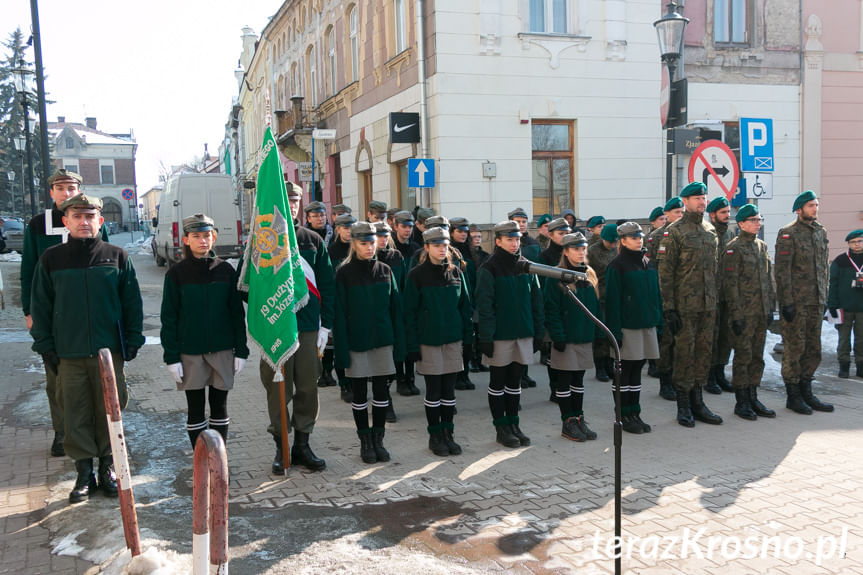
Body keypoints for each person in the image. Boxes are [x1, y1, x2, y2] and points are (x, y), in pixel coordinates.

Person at [30, 194, 143, 504]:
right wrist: (45, 345)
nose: (83, 221)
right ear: (65, 221)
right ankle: (83, 473)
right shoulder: (51, 259)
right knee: (74, 411)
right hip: (68, 352)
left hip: (109, 353)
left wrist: (133, 339)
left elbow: (131, 301)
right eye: (76, 216)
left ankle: (108, 466)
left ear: (100, 221)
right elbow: (39, 305)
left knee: (110, 409)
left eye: (89, 216)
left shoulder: (117, 256)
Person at [20, 169, 110, 457]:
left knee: (97, 375)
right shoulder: (37, 225)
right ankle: (62, 431)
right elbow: (28, 271)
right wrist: (29, 310)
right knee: (57, 375)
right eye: (60, 188)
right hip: (51, 309)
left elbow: (106, 257)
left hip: (89, 309)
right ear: (52, 193)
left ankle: (100, 433)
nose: (66, 193)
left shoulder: (91, 219)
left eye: (71, 187)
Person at [257, 184, 333, 472]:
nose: (290, 204)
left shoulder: (312, 240)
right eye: (285, 199)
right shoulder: (262, 241)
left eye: (295, 200)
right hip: (276, 329)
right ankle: (281, 447)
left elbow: (327, 285)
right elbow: (246, 289)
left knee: (307, 387)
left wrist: (326, 325)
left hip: (308, 327)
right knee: (277, 388)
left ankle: (303, 444)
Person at [160, 214, 249, 450]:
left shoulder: (226, 272)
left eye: (207, 235)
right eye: (196, 236)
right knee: (196, 408)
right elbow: (169, 317)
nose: (202, 240)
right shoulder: (176, 275)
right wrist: (171, 356)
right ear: (186, 240)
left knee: (219, 407)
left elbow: (236, 314)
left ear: (214, 237)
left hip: (221, 349)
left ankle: (219, 459)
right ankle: (201, 460)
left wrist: (241, 350)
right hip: (190, 352)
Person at [334, 221, 405, 463]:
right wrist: (341, 352)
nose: (369, 248)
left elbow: (397, 310)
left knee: (382, 391)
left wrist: (400, 345)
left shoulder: (385, 270)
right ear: (354, 244)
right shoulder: (343, 273)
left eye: (372, 243)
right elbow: (340, 315)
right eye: (363, 243)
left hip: (383, 341)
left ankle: (379, 439)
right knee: (360, 394)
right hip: (357, 342)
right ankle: (365, 441)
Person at [657, 181, 723, 428]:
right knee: (685, 354)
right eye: (696, 198)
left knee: (703, 353)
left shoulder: (709, 230)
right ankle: (683, 405)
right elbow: (666, 273)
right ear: (684, 202)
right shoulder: (674, 231)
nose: (702, 202)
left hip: (707, 305)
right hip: (684, 306)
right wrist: (669, 307)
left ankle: (699, 402)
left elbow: (714, 270)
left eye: (704, 198)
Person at [404, 227, 473, 456]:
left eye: (444, 245)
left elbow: (465, 308)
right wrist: (412, 345)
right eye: (436, 245)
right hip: (429, 341)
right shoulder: (416, 275)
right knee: (434, 391)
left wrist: (468, 339)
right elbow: (410, 312)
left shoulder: (456, 273)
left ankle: (448, 434)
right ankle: (435, 436)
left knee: (449, 392)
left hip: (452, 340)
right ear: (427, 247)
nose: (441, 249)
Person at [475, 220, 544, 448]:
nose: (515, 243)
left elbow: (536, 301)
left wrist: (538, 331)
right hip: (500, 335)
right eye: (509, 239)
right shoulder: (489, 267)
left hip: (522, 332)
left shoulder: (526, 266)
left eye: (517, 239)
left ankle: (514, 424)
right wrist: (485, 337)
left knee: (515, 381)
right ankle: (501, 427)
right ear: (498, 241)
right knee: (498, 382)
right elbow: (485, 306)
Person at [775, 190, 833, 414]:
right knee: (795, 348)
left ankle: (807, 390)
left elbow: (823, 268)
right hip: (797, 303)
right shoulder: (788, 234)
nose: (815, 209)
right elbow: (782, 272)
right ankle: (793, 395)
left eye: (816, 205)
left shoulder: (820, 232)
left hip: (816, 302)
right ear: (799, 210)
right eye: (810, 206)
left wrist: (824, 297)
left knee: (813, 348)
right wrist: (786, 302)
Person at [543, 232, 601, 441]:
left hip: (584, 336)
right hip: (566, 338)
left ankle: (578, 418)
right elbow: (551, 308)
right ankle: (567, 421)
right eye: (576, 249)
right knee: (565, 381)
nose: (580, 252)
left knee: (579, 380)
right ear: (566, 251)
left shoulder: (589, 274)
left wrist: (596, 331)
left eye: (583, 248)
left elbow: (595, 307)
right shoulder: (558, 275)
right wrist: (557, 336)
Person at [605, 222, 662, 434]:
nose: (639, 240)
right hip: (627, 327)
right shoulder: (617, 266)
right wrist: (615, 332)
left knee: (638, 369)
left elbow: (656, 295)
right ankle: (622, 415)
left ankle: (635, 412)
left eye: (640, 236)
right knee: (624, 372)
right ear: (623, 241)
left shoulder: (648, 262)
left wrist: (659, 321)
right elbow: (612, 301)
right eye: (633, 237)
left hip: (646, 325)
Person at [722, 204, 776, 420]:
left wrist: (771, 306)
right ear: (741, 223)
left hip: (760, 312)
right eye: (752, 220)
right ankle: (742, 400)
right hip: (743, 313)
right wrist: (735, 314)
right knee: (743, 357)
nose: (757, 223)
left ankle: (753, 396)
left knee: (757, 357)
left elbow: (768, 279)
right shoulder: (733, 248)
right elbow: (730, 284)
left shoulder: (761, 246)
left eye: (759, 219)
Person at [373, 221, 414, 418]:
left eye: (385, 235)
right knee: (379, 362)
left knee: (396, 354)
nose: (382, 239)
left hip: (396, 314)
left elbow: (405, 283)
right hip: (376, 317)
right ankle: (384, 400)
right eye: (378, 235)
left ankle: (394, 387)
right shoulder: (368, 258)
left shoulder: (396, 257)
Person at [645, 196, 684, 400]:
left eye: (682, 212)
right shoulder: (656, 237)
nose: (680, 215)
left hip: (684, 296)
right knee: (666, 341)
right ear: (667, 215)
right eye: (676, 212)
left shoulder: (685, 233)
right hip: (663, 296)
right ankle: (665, 382)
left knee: (682, 342)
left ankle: (680, 381)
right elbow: (650, 268)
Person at [538, 217, 572, 400]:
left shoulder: (572, 253)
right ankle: (555, 388)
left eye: (567, 233)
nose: (565, 236)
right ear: (550, 235)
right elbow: (541, 286)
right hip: (552, 309)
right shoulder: (544, 257)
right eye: (561, 233)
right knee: (554, 350)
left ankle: (566, 387)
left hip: (570, 308)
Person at [508, 207, 541, 389]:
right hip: (515, 289)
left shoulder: (532, 242)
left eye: (523, 221)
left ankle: (525, 373)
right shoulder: (508, 242)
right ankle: (517, 376)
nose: (521, 224)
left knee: (526, 341)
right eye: (517, 221)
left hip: (530, 287)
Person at [705, 196, 735, 394]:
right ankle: (708, 377)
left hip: (727, 294)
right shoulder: (708, 234)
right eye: (723, 212)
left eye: (728, 212)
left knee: (725, 337)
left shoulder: (730, 234)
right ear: (713, 214)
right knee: (711, 338)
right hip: (711, 295)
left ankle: (719, 373)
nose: (727, 215)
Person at [327, 212, 356, 401]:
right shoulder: (331, 251)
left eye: (352, 227)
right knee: (340, 347)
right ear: (338, 229)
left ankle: (355, 382)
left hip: (355, 303)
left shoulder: (357, 249)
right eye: (346, 228)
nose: (349, 231)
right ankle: (344, 385)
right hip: (338, 304)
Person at [448, 217, 478, 391]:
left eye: (465, 231)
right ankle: (458, 376)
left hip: (469, 300)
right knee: (458, 342)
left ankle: (465, 373)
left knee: (468, 340)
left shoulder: (469, 251)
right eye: (459, 231)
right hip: (456, 301)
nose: (463, 234)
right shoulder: (450, 252)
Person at [828, 229, 863, 378]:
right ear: (848, 244)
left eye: (860, 241)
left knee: (862, 339)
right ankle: (844, 365)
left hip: (862, 308)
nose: (857, 244)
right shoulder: (840, 261)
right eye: (853, 242)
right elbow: (833, 284)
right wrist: (833, 305)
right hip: (844, 307)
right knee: (844, 339)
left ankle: (861, 366)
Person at [587, 223, 619, 383]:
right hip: (599, 296)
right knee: (600, 333)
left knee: (612, 331)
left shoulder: (618, 249)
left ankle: (610, 364)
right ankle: (599, 367)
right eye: (610, 242)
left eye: (615, 242)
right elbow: (587, 274)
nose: (612, 245)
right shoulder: (592, 251)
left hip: (614, 296)